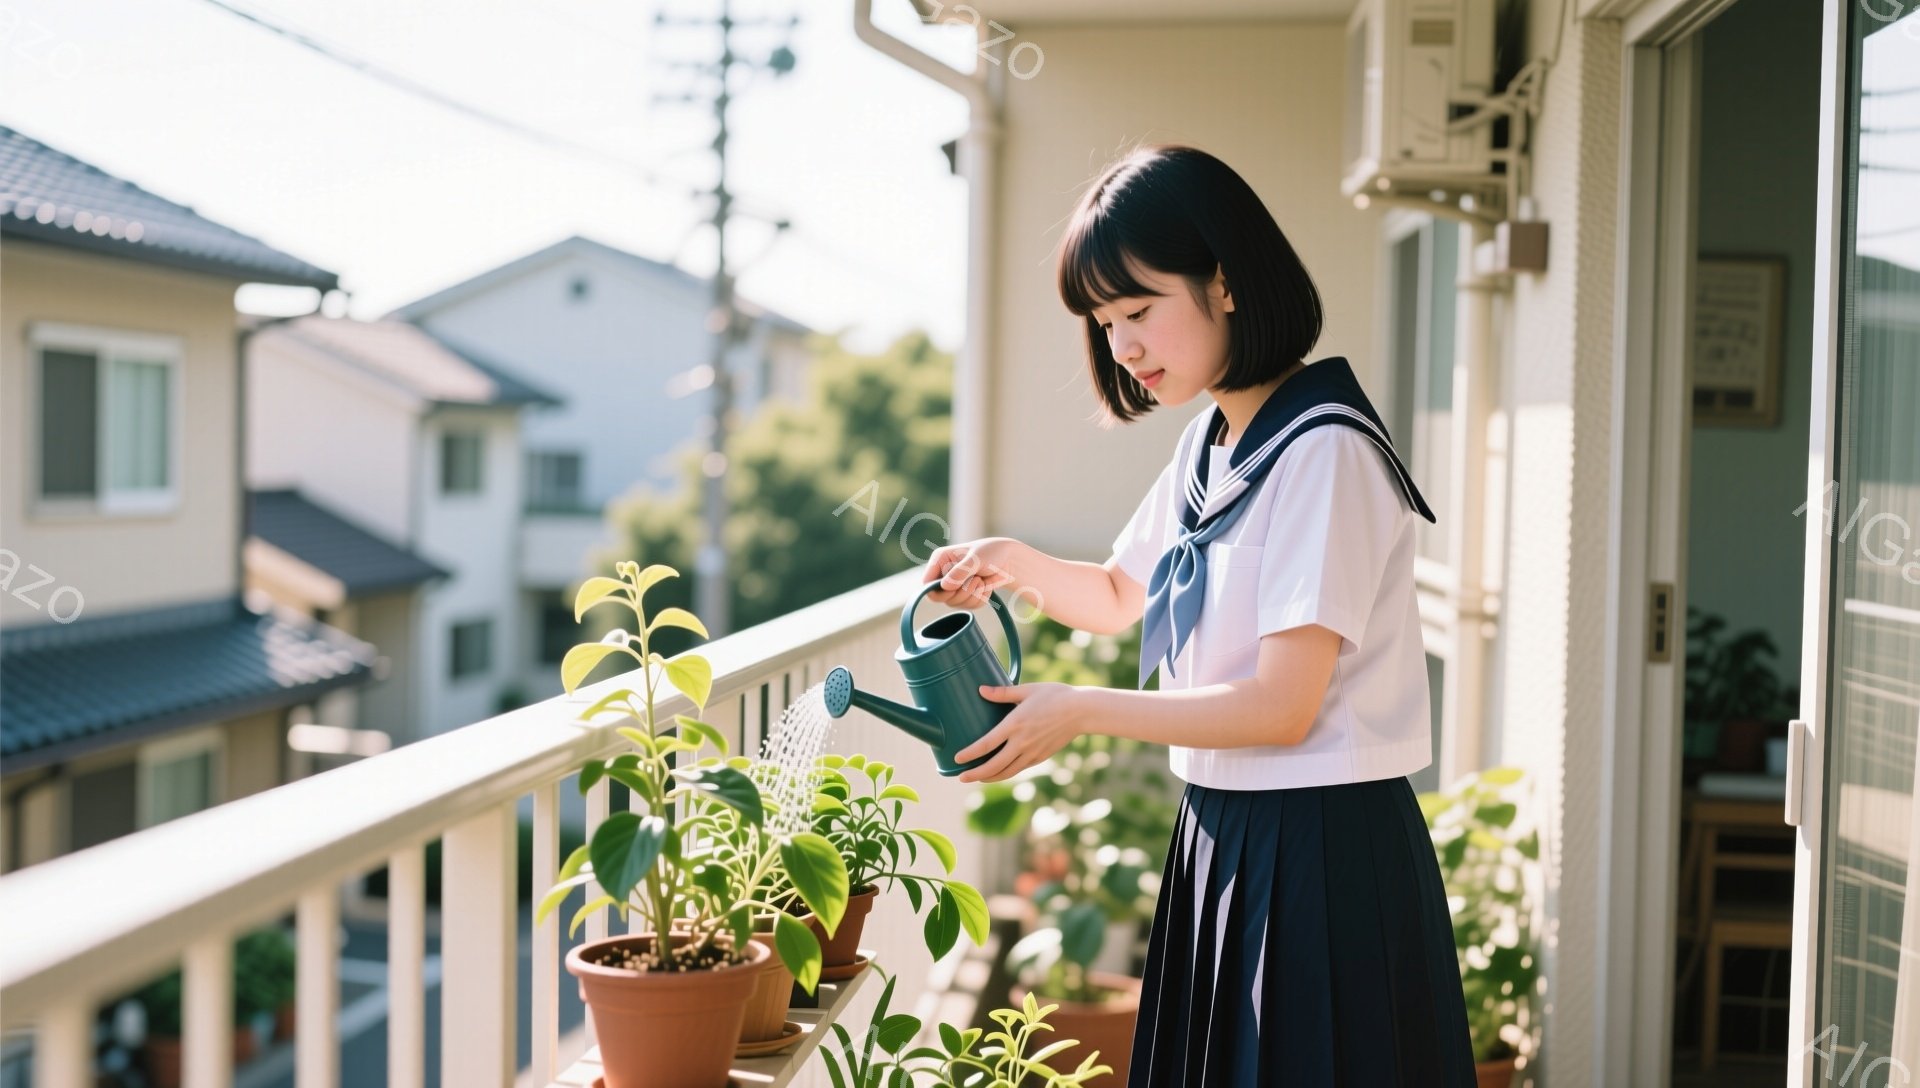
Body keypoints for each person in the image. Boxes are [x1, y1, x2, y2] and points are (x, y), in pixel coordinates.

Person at [918, 145, 1476, 1086]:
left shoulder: (1324, 451)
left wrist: (1081, 708)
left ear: (1223, 284)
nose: (1124, 348)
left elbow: (1279, 707)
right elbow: (1118, 594)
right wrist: (1010, 564)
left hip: (1324, 852)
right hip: (1222, 834)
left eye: (1139, 311)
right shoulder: (1214, 442)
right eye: (1105, 323)